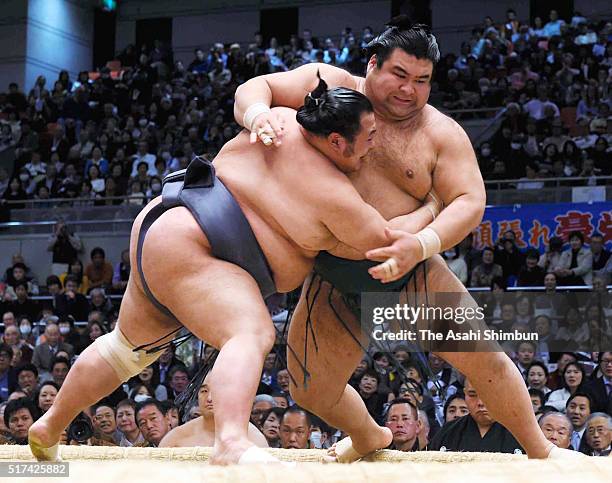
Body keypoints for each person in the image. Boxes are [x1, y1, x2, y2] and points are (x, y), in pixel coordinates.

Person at [30, 78, 439, 465]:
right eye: (368, 139)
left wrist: (258, 111)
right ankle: (229, 440)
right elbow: (386, 239)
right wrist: (433, 209)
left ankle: (50, 426)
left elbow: (250, 90)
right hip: (195, 245)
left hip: (162, 222)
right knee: (250, 333)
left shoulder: (279, 121)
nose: (373, 147)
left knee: (125, 348)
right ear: (337, 141)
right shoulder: (335, 196)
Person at [238, 19, 560, 462]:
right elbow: (258, 86)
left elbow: (470, 201)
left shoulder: (439, 134)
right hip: (333, 273)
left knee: (484, 360)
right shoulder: (331, 86)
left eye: (422, 80)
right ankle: (370, 434)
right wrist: (258, 116)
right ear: (372, 64)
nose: (410, 89)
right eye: (400, 74)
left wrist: (424, 241)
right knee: (310, 387)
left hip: (411, 272)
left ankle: (541, 451)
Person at [159, 376, 267, 447]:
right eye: (204, 391)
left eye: (217, 390)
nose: (209, 398)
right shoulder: (176, 437)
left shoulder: (252, 437)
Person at [429, 378, 524, 454]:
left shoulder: (522, 434)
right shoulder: (448, 432)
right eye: (472, 395)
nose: (480, 403)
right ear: (465, 394)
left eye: (488, 395)